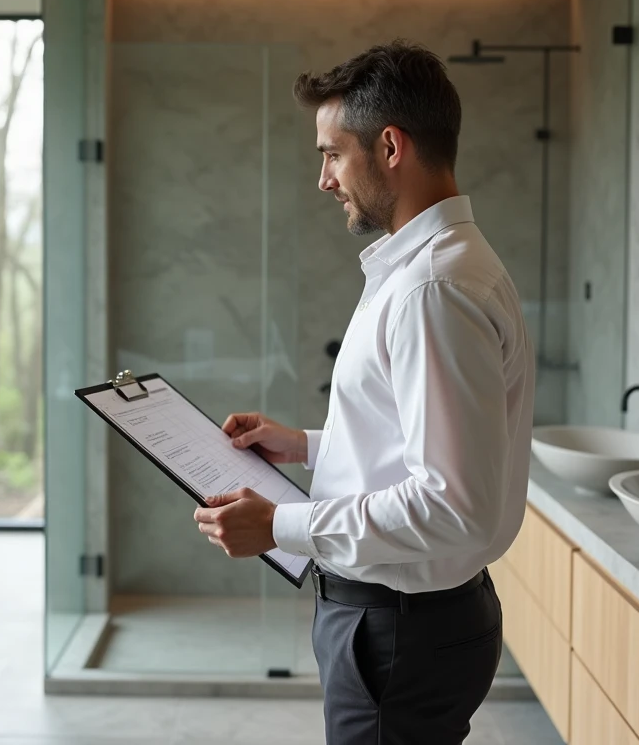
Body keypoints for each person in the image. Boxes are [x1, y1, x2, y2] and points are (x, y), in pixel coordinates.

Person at [192, 40, 536, 745]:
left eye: (331, 153)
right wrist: (308, 445)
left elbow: (451, 505)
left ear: (389, 146)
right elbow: (422, 448)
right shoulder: (435, 269)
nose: (323, 179)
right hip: (405, 625)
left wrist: (280, 527)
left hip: (397, 635)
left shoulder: (433, 289)